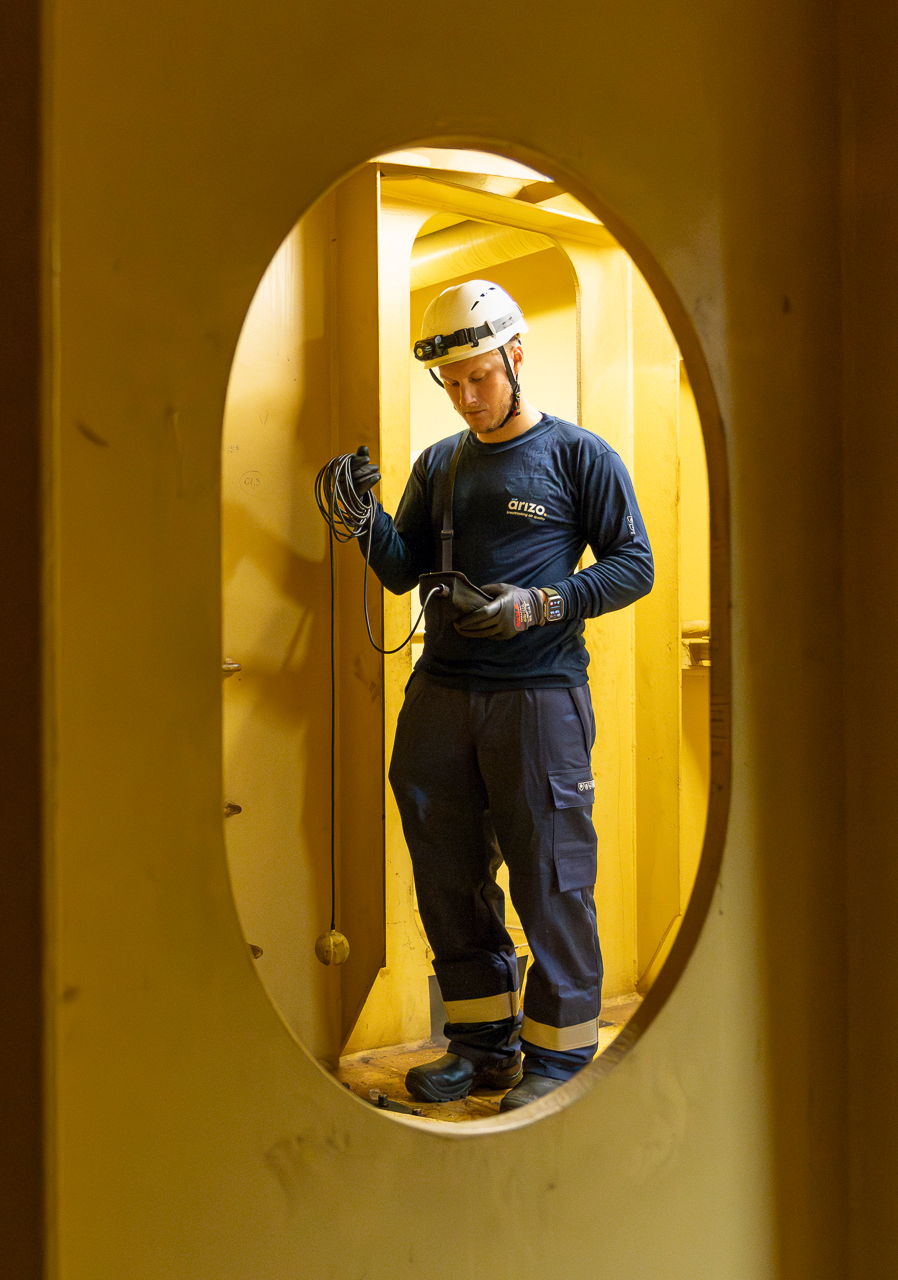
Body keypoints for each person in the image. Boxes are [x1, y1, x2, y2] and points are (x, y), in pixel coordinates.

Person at [349, 279, 654, 1111]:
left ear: (516, 356)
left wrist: (542, 604)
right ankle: (483, 1047)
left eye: (479, 376)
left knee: (552, 876)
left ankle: (560, 1061)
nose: (467, 397)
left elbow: (635, 564)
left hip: (539, 697)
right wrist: (364, 518)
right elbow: (403, 567)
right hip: (442, 695)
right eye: (451, 384)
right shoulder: (440, 463)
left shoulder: (578, 456)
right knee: (447, 877)